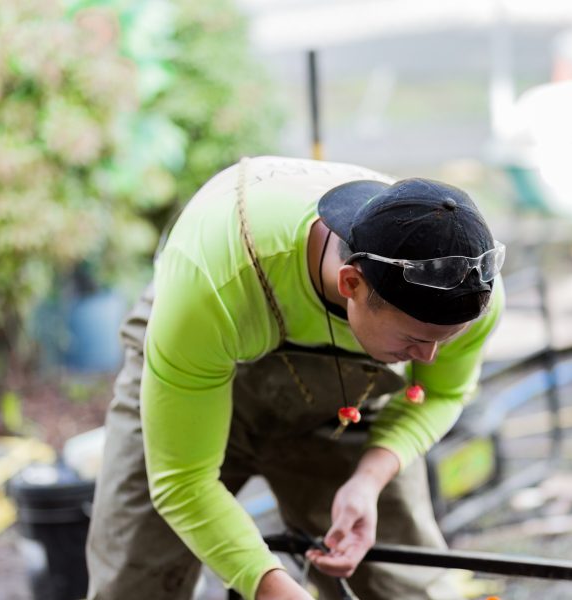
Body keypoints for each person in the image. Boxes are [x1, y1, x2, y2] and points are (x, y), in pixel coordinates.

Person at [85, 155, 506, 600]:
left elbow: (442, 394)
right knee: (136, 581)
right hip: (202, 361)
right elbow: (181, 481)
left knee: (403, 585)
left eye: (446, 339)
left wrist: (369, 478)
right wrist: (269, 585)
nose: (429, 356)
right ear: (350, 284)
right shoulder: (215, 283)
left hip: (345, 406)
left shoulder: (467, 288)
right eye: (414, 339)